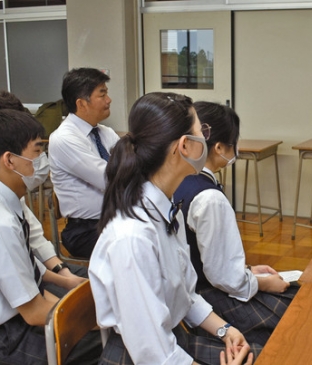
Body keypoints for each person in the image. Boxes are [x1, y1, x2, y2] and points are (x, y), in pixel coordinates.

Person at [89, 92, 255, 365]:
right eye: (201, 131)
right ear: (184, 146)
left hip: (174, 339)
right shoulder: (132, 237)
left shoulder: (164, 206)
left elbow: (184, 295)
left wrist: (225, 330)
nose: (206, 138)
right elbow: (152, 353)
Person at [0, 109, 101, 364]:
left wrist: (76, 299)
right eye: (36, 151)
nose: (43, 159)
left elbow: (34, 285)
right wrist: (98, 319)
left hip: (10, 321)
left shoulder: (0, 200)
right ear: (9, 160)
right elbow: (34, 313)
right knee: (109, 343)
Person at [173, 101, 298, 346]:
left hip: (196, 291)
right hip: (212, 298)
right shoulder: (210, 198)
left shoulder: (179, 180)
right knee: (297, 312)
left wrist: (249, 270)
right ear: (218, 147)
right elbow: (224, 277)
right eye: (233, 144)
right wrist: (261, 282)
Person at [0, 91, 86, 298]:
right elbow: (23, 292)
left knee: (94, 283)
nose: (41, 158)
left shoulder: (5, 178)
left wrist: (61, 270)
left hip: (29, 269)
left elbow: (30, 231)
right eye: (36, 150)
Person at [49, 67, 120, 258]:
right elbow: (110, 179)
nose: (109, 100)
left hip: (115, 219)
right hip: (86, 230)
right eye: (102, 94)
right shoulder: (64, 139)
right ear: (82, 103)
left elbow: (132, 165)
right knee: (138, 248)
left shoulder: (106, 133)